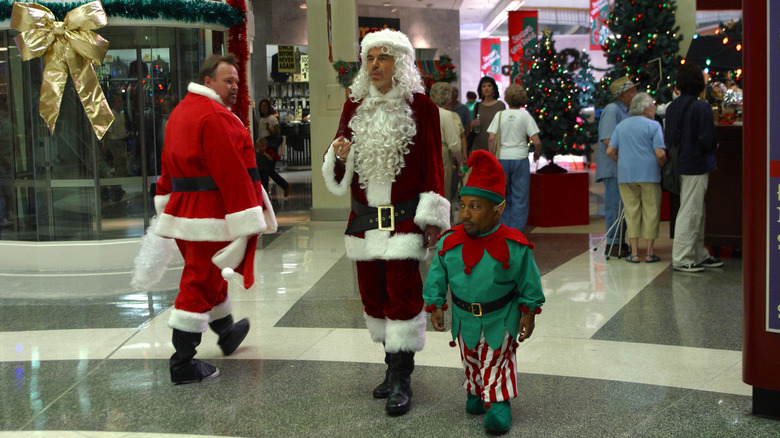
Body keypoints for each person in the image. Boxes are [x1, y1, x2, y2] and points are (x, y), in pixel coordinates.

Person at [321, 29, 449, 416]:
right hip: (363, 222)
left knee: (403, 298)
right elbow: (338, 164)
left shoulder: (422, 108)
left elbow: (433, 165)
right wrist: (339, 155)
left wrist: (432, 219)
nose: (374, 65)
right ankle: (390, 366)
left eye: (383, 58)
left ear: (401, 63)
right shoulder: (353, 106)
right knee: (374, 298)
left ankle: (401, 378)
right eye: (370, 58)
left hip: (405, 222)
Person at [136, 54, 277, 384]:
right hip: (211, 214)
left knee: (210, 273)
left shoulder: (181, 112)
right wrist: (247, 217)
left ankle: (226, 332)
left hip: (184, 212)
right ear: (208, 81)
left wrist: (165, 200)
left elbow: (167, 164)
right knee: (200, 279)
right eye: (228, 80)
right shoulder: (215, 117)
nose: (234, 87)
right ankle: (183, 361)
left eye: (237, 82)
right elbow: (230, 171)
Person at [423, 150, 545, 434]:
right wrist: (436, 303)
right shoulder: (449, 242)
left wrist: (529, 312)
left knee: (495, 360)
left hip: (499, 319)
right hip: (464, 318)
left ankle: (498, 403)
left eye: (475, 207)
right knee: (470, 358)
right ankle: (476, 392)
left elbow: (529, 282)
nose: (464, 213)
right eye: (463, 205)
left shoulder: (514, 246)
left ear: (497, 210)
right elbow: (437, 275)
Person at [664, 63, 723, 273]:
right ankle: (682, 257)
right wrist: (714, 144)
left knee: (695, 210)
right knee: (691, 211)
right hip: (697, 163)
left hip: (680, 163)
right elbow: (707, 138)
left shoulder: (672, 107)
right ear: (699, 84)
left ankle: (698, 253)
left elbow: (668, 138)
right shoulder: (701, 107)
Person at [606, 93, 667, 263]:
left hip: (626, 176)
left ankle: (633, 252)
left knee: (631, 212)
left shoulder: (621, 126)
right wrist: (663, 166)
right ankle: (649, 252)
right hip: (649, 175)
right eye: (653, 107)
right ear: (645, 108)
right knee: (651, 211)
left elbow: (610, 151)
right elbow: (660, 153)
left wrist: (622, 162)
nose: (655, 110)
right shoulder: (653, 126)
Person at [487, 84, 541, 233]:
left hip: (502, 159)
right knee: (520, 198)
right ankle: (516, 233)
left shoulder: (499, 115)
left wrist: (492, 156)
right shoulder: (525, 116)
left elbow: (491, 138)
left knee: (503, 196)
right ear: (522, 99)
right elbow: (536, 141)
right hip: (520, 159)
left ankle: (504, 230)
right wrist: (537, 153)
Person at [597, 76, 637, 258]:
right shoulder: (612, 110)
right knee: (615, 206)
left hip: (623, 166)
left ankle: (620, 242)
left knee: (623, 207)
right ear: (622, 95)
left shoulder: (627, 111)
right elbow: (608, 139)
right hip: (614, 167)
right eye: (632, 92)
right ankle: (613, 243)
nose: (635, 95)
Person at [430, 82, 466, 203]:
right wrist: (461, 163)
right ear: (447, 97)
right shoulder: (447, 115)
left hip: (427, 153)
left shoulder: (427, 112)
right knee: (443, 191)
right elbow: (454, 144)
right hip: (442, 154)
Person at [255, 99, 290, 197]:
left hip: (270, 147)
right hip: (262, 146)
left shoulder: (272, 119)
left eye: (265, 106)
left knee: (268, 170)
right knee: (266, 170)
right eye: (261, 106)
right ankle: (282, 186)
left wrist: (268, 128)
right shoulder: (262, 119)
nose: (263, 108)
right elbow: (260, 134)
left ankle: (284, 186)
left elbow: (276, 134)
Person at [470, 76, 506, 153]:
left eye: (489, 86)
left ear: (493, 89)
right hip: (478, 145)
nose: (486, 88)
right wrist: (473, 124)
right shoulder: (478, 106)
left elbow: (503, 126)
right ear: (481, 89)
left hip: (494, 146)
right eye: (483, 86)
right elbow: (473, 125)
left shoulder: (500, 105)